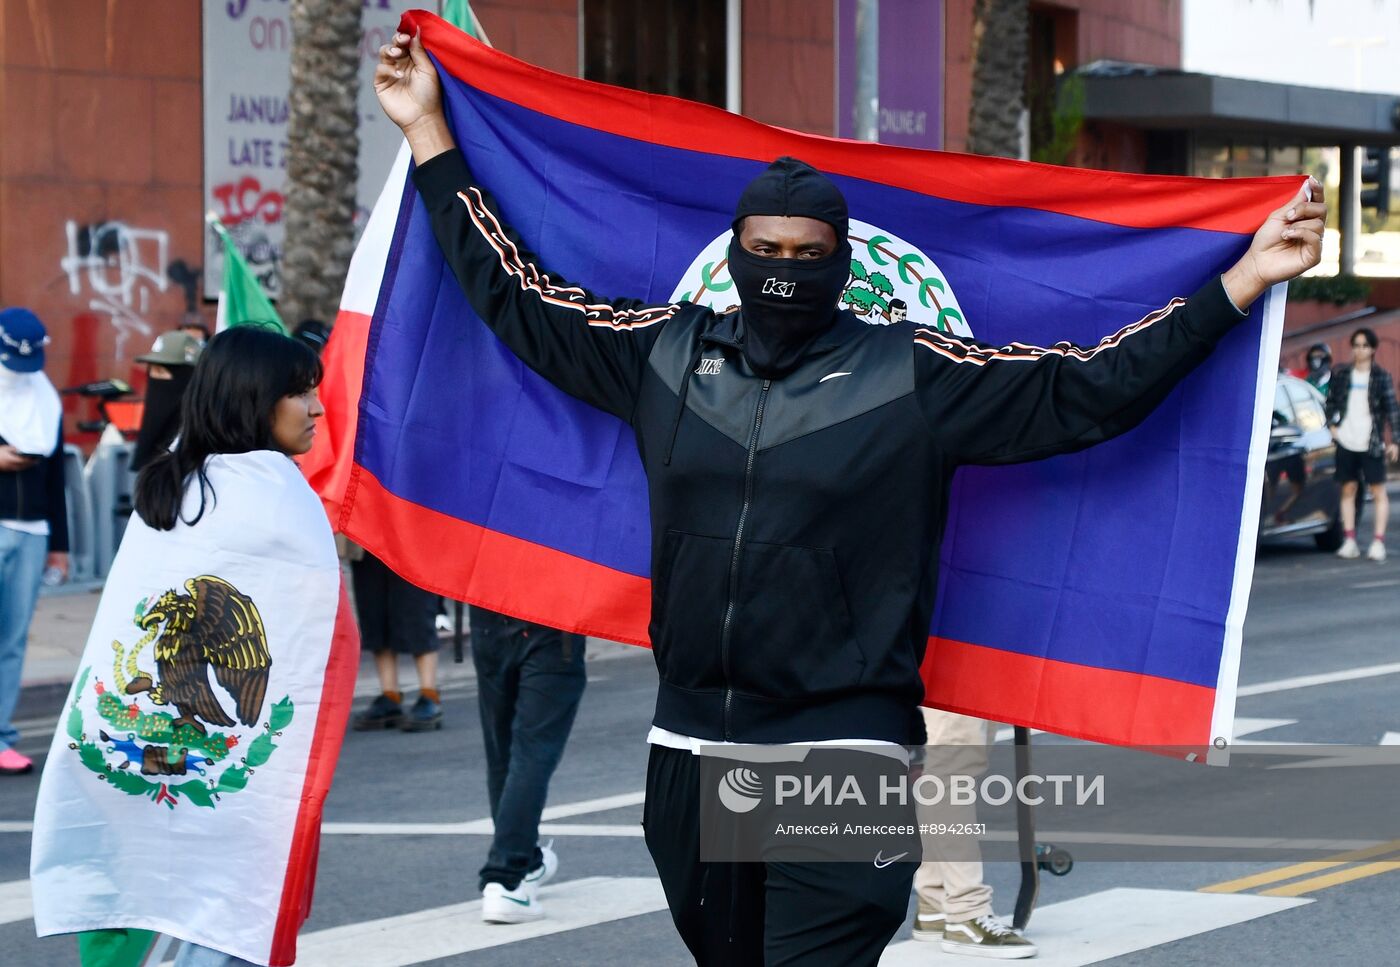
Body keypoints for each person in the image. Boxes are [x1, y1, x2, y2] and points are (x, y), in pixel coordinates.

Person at [376, 30, 1325, 964]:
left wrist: (1238, 281)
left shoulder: (911, 372)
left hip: (841, 755)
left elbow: (1085, 386)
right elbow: (516, 295)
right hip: (689, 748)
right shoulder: (664, 353)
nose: (784, 266)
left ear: (841, 260)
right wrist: (429, 136)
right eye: (764, 246)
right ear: (735, 251)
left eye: (807, 248)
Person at [32, 325, 342, 967]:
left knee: (132, 889)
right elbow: (319, 636)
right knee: (228, 908)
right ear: (256, 400)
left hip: (133, 744)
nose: (317, 409)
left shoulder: (171, 481)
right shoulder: (278, 497)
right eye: (300, 394)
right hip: (225, 760)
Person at [468, 608, 586, 923]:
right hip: (551, 614)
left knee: (502, 750)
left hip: (488, 612)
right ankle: (507, 875)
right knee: (532, 752)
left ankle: (523, 861)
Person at [0, 307, 69, 776]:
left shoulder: (47, 398)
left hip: (32, 530)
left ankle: (2, 735)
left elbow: (56, 476)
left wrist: (60, 545)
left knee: (13, 639)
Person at [909, 710, 1034, 958]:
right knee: (953, 768)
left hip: (978, 670)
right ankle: (966, 912)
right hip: (953, 670)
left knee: (955, 763)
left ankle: (936, 899)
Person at [1325, 327, 1400, 562]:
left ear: (1373, 349)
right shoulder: (1342, 375)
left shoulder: (1381, 376)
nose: (1360, 350)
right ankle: (1349, 540)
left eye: (1365, 345)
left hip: (1372, 442)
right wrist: (1332, 425)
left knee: (1377, 491)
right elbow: (1330, 402)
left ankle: (1378, 542)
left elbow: (1392, 410)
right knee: (1348, 489)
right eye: (1356, 345)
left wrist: (1395, 441)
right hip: (1346, 440)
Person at [350, 549, 445, 731]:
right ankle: (389, 695)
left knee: (417, 609)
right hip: (367, 533)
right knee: (373, 610)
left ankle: (429, 693)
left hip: (413, 534)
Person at [130, 330, 203, 472]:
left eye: (162, 372)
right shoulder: (150, 449)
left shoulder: (202, 445)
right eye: (152, 372)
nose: (155, 382)